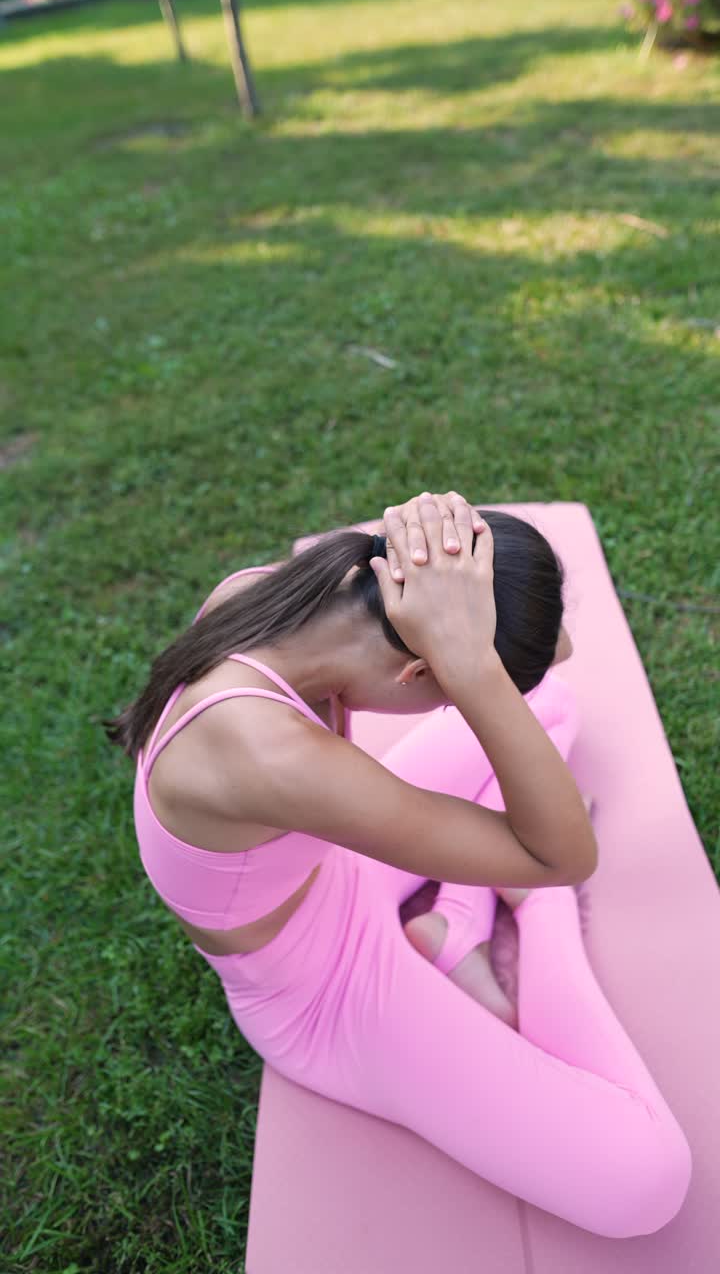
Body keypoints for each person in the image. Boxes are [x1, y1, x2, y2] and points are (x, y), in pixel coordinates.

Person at [106, 490, 691, 1238]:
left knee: (549, 706)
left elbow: (549, 660)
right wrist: (478, 676)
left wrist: (464, 624)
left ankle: (458, 918)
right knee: (646, 1181)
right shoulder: (272, 755)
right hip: (322, 994)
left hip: (333, 869)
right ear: (420, 671)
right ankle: (526, 910)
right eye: (450, 696)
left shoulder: (271, 594)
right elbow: (565, 855)